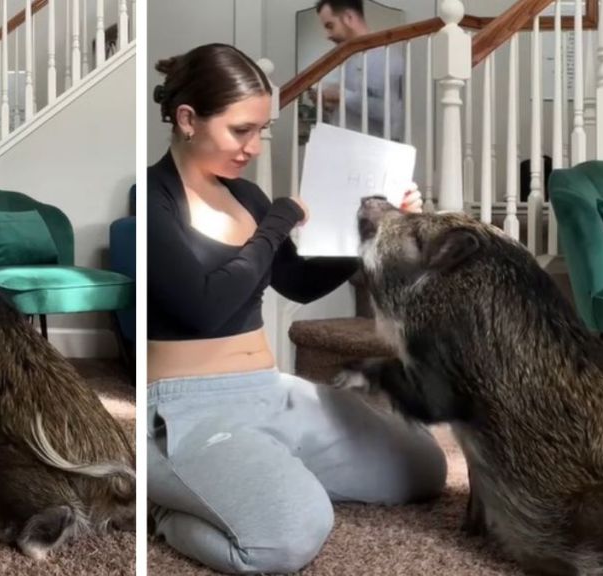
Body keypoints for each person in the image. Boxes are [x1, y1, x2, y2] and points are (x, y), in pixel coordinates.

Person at [148, 43, 446, 574]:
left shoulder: (248, 199)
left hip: (268, 389)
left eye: (260, 131)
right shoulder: (151, 198)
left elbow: (299, 284)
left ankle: (263, 471)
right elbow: (205, 308)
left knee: (423, 466)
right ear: (189, 119)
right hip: (185, 408)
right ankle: (162, 513)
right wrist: (280, 220)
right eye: (242, 130)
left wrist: (373, 235)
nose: (254, 147)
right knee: (286, 537)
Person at [308, 0, 405, 140]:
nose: (327, 35)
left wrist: (342, 95)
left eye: (330, 26)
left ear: (349, 18)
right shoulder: (348, 58)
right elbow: (354, 108)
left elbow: (392, 112)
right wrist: (329, 105)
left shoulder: (388, 57)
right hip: (345, 147)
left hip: (372, 152)